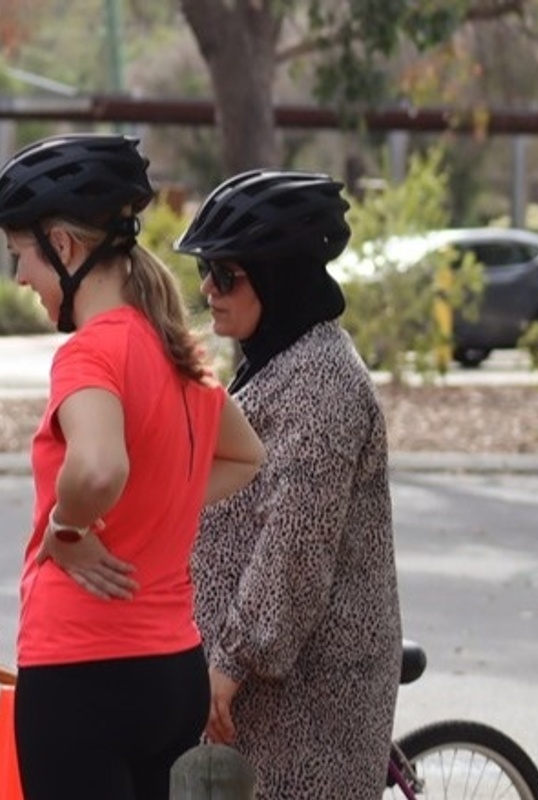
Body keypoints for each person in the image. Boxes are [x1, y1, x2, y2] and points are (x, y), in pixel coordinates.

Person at [0, 133, 266, 800]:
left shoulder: (90, 353)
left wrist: (66, 532)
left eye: (21, 256)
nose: (20, 278)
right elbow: (247, 457)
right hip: (171, 671)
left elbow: (99, 468)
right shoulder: (177, 350)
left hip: (81, 670)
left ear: (64, 247)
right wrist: (167, 496)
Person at [177, 169, 401, 799]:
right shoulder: (275, 356)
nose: (208, 288)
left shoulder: (324, 381)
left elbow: (293, 548)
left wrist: (231, 663)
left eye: (226, 275)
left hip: (307, 701)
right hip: (255, 697)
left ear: (279, 280)